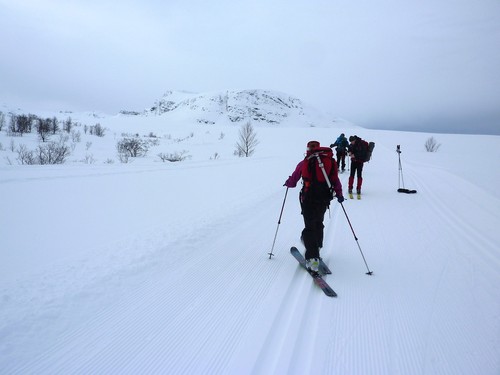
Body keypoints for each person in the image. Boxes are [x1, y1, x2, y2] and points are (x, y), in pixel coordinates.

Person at [284, 141, 344, 273]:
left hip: (308, 198)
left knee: (309, 226)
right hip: (324, 199)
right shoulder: (330, 161)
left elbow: (294, 180)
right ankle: (317, 247)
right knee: (318, 222)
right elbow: (335, 180)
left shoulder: (305, 162)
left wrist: (288, 182)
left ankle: (312, 258)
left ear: (308, 149)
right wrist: (339, 194)